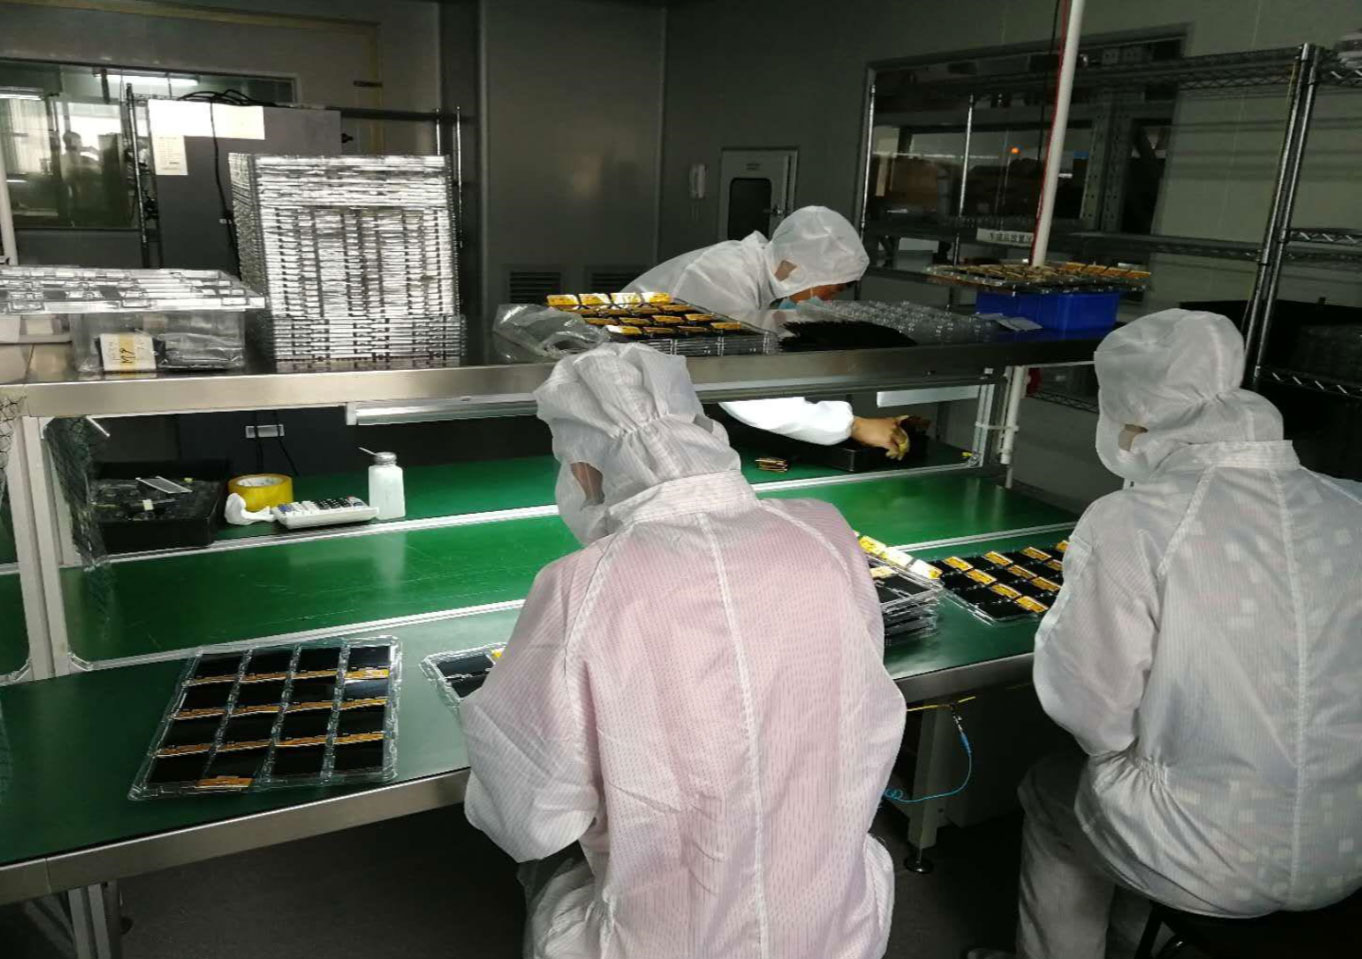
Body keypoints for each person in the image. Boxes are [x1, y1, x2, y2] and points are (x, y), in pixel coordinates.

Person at [461, 343, 906, 959]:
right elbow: (863, 700)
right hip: (837, 928)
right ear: (702, 430)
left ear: (585, 470)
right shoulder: (823, 531)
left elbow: (527, 815)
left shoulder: (581, 587)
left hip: (660, 943)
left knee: (551, 863)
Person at [971, 309, 1362, 959]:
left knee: (1052, 790)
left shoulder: (1134, 521)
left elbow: (1092, 712)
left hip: (1204, 860)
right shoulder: (1352, 504)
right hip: (1345, 848)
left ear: (1135, 417)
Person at [626, 205, 910, 457]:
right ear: (808, 271)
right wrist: (852, 425)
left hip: (651, 393)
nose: (827, 300)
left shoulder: (748, 267)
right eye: (832, 288)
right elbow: (741, 386)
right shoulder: (719, 280)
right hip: (629, 398)